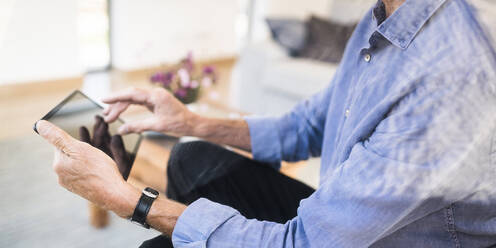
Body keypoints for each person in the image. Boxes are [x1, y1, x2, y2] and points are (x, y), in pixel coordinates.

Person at [35, 0, 496, 247]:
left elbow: (302, 244)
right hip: (350, 228)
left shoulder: (448, 75)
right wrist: (190, 121)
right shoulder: (385, 16)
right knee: (192, 155)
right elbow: (308, 125)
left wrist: (127, 200)